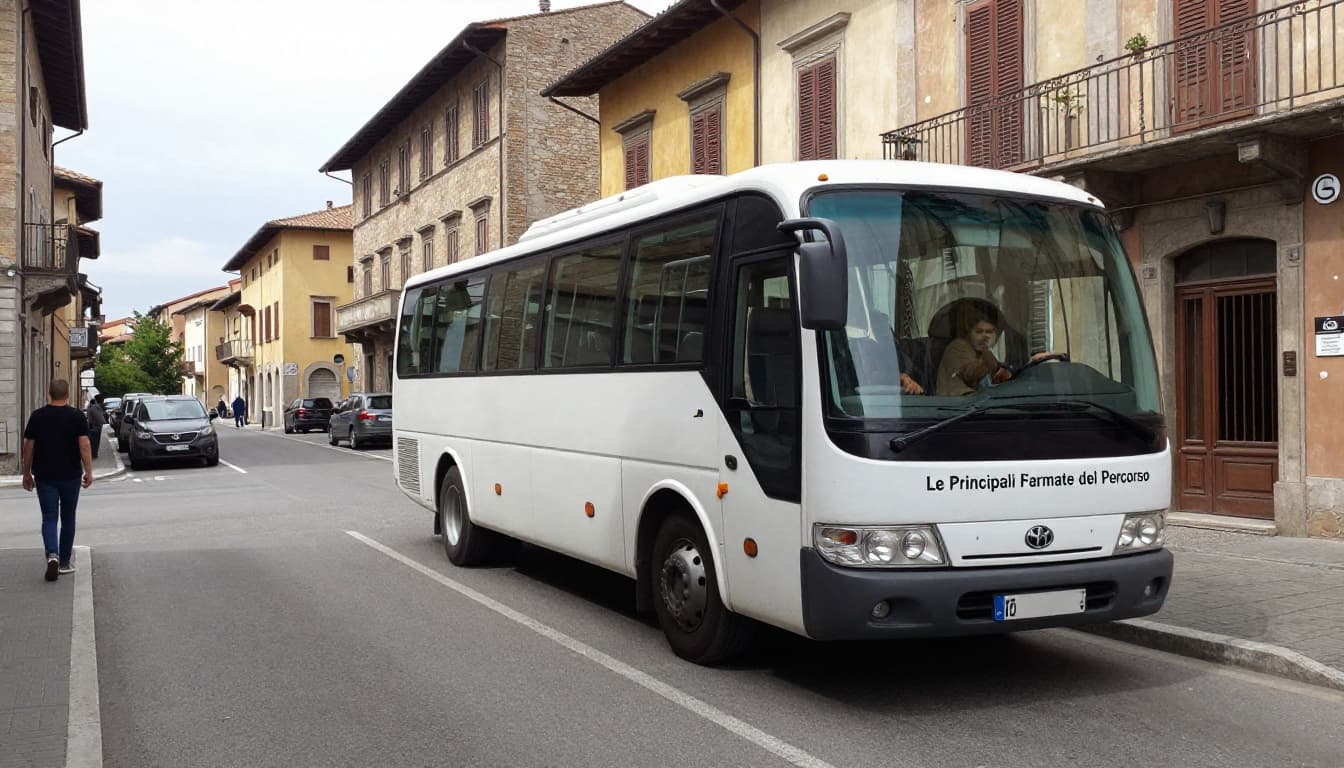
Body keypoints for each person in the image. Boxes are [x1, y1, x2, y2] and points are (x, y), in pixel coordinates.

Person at [22, 379, 94, 582]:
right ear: (68, 394)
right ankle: (63, 562)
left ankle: (51, 555)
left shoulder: (37, 416)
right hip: (70, 475)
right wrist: (88, 471)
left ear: (49, 394)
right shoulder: (76, 417)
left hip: (45, 476)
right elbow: (85, 445)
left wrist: (26, 472)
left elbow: (28, 447)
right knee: (68, 517)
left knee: (49, 517)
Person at [85, 395, 106, 460]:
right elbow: (99, 418)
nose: (103, 402)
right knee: (94, 441)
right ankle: (93, 454)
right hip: (95, 426)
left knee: (94, 441)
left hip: (93, 426)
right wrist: (104, 421)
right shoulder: (95, 407)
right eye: (102, 400)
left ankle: (93, 454)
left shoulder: (92, 406)